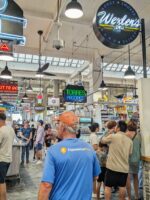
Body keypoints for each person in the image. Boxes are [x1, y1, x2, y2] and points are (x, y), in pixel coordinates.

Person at [38, 111, 100, 200]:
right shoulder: (89, 148)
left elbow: (46, 185)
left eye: (58, 124)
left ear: (63, 127)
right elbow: (95, 176)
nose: (57, 127)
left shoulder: (53, 151)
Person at [101, 121, 133, 200]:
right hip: (124, 168)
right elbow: (130, 153)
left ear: (118, 128)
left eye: (116, 126)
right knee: (122, 187)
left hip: (112, 167)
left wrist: (109, 132)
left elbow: (102, 141)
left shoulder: (113, 136)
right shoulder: (130, 141)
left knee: (108, 187)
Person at [0, 113, 15, 200]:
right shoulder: (11, 129)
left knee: (1, 182)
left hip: (1, 159)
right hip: (8, 158)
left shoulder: (1, 130)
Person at [126, 120, 141, 200]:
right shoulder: (139, 135)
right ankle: (136, 195)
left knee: (127, 178)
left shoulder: (126, 135)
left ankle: (129, 196)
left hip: (127, 159)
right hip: (136, 159)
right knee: (136, 177)